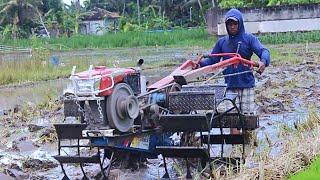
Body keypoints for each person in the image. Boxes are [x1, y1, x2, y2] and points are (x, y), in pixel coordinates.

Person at [198, 8, 270, 134]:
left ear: (240, 24)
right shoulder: (222, 42)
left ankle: (248, 145)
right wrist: (199, 64)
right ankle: (235, 147)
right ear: (226, 25)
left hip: (246, 85)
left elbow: (264, 51)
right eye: (229, 24)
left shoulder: (249, 39)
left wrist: (263, 61)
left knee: (247, 120)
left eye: (235, 24)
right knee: (233, 119)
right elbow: (212, 61)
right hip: (230, 86)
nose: (232, 26)